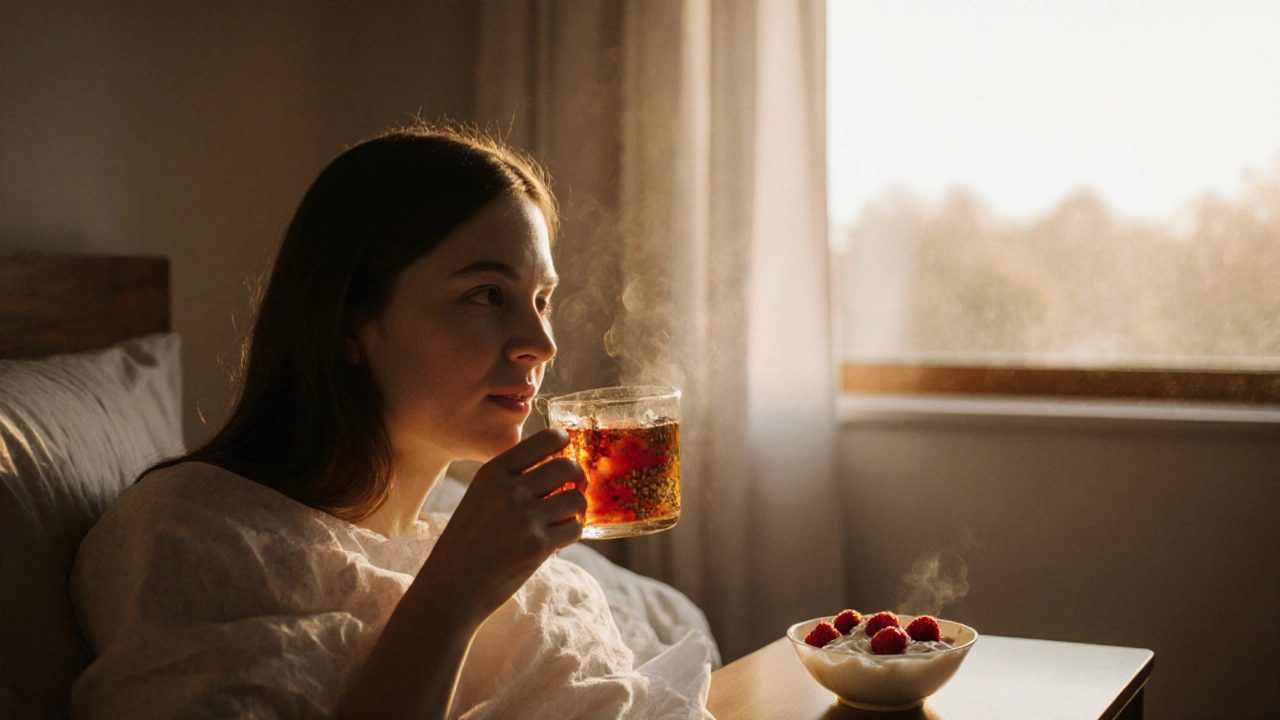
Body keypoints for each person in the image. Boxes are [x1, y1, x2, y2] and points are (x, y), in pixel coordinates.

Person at [69, 124, 716, 719]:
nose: (541, 345)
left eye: (541, 300)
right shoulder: (193, 531)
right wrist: (451, 595)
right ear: (350, 322)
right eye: (487, 295)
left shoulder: (482, 540)